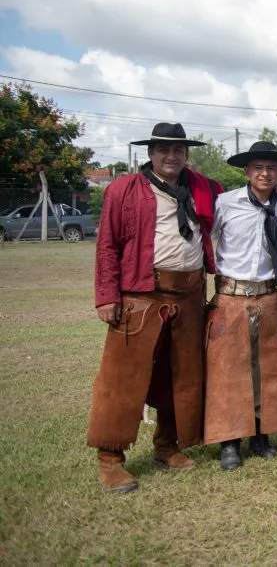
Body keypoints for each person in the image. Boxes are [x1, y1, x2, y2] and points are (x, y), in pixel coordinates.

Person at [88, 122, 221, 493]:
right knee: (123, 378)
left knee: (182, 375)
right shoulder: (124, 189)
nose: (171, 155)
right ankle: (110, 459)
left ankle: (167, 444)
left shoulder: (203, 188)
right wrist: (107, 295)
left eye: (178, 149)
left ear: (186, 154)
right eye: (163, 149)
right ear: (150, 153)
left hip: (190, 294)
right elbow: (107, 245)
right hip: (141, 295)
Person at [204, 141, 277, 471]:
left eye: (272, 168)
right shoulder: (225, 203)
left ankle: (261, 433)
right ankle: (230, 440)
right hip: (231, 296)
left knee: (267, 370)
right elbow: (204, 240)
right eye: (258, 167)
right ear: (246, 171)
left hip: (268, 295)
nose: (265, 173)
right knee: (229, 370)